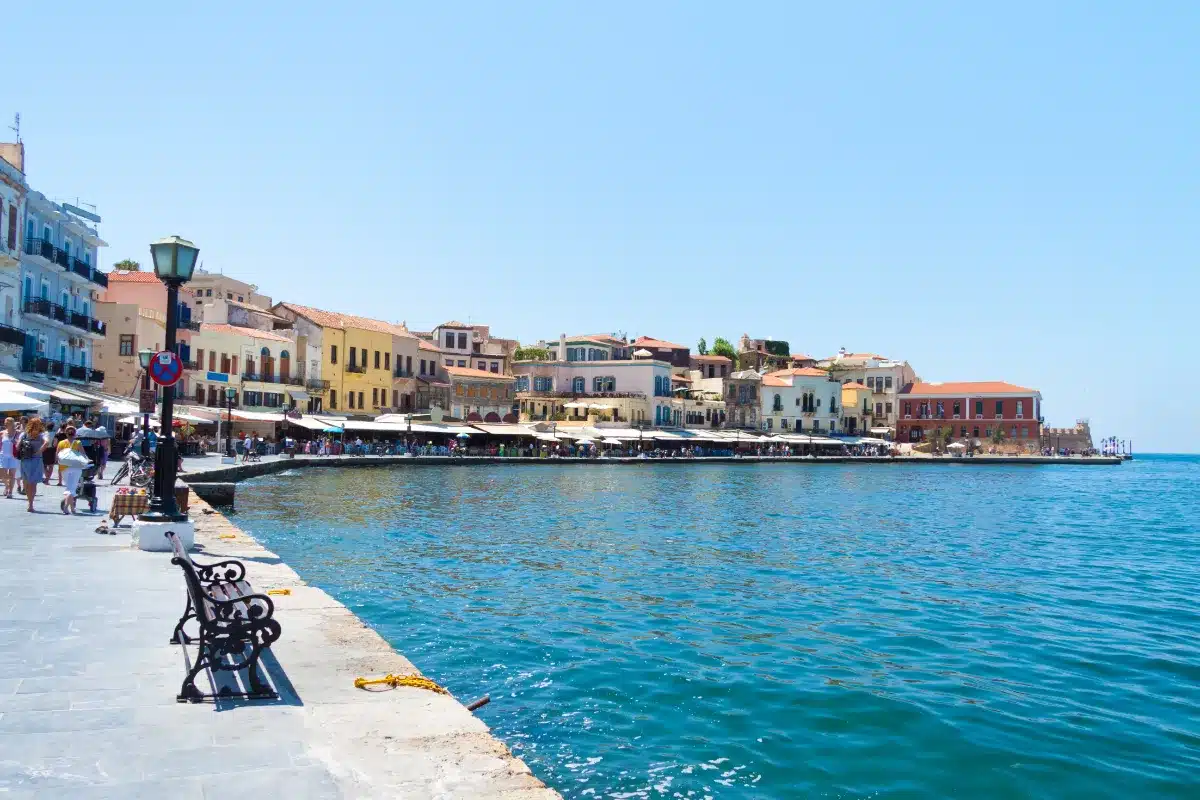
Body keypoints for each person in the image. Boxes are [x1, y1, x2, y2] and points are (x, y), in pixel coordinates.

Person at [17, 417, 46, 513]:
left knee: (26, 482)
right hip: (36, 460)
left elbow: (17, 446)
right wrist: (39, 451)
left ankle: (29, 502)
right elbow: (47, 442)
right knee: (33, 484)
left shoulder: (24, 434)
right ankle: (31, 504)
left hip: (25, 460)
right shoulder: (42, 435)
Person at [56, 426, 85, 514]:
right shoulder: (78, 442)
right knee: (71, 489)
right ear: (75, 434)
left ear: (66, 433)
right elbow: (83, 454)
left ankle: (72, 508)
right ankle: (65, 507)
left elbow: (57, 455)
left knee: (69, 486)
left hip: (64, 468)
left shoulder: (61, 443)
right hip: (76, 467)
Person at [0, 418, 18, 499]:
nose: (5, 424)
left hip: (13, 456)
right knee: (1, 473)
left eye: (7, 423)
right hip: (3, 455)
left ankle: (10, 492)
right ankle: (7, 486)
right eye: (5, 422)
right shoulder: (2, 433)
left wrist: (17, 442)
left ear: (12, 423)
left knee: (12, 474)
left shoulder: (18, 433)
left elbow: (20, 443)